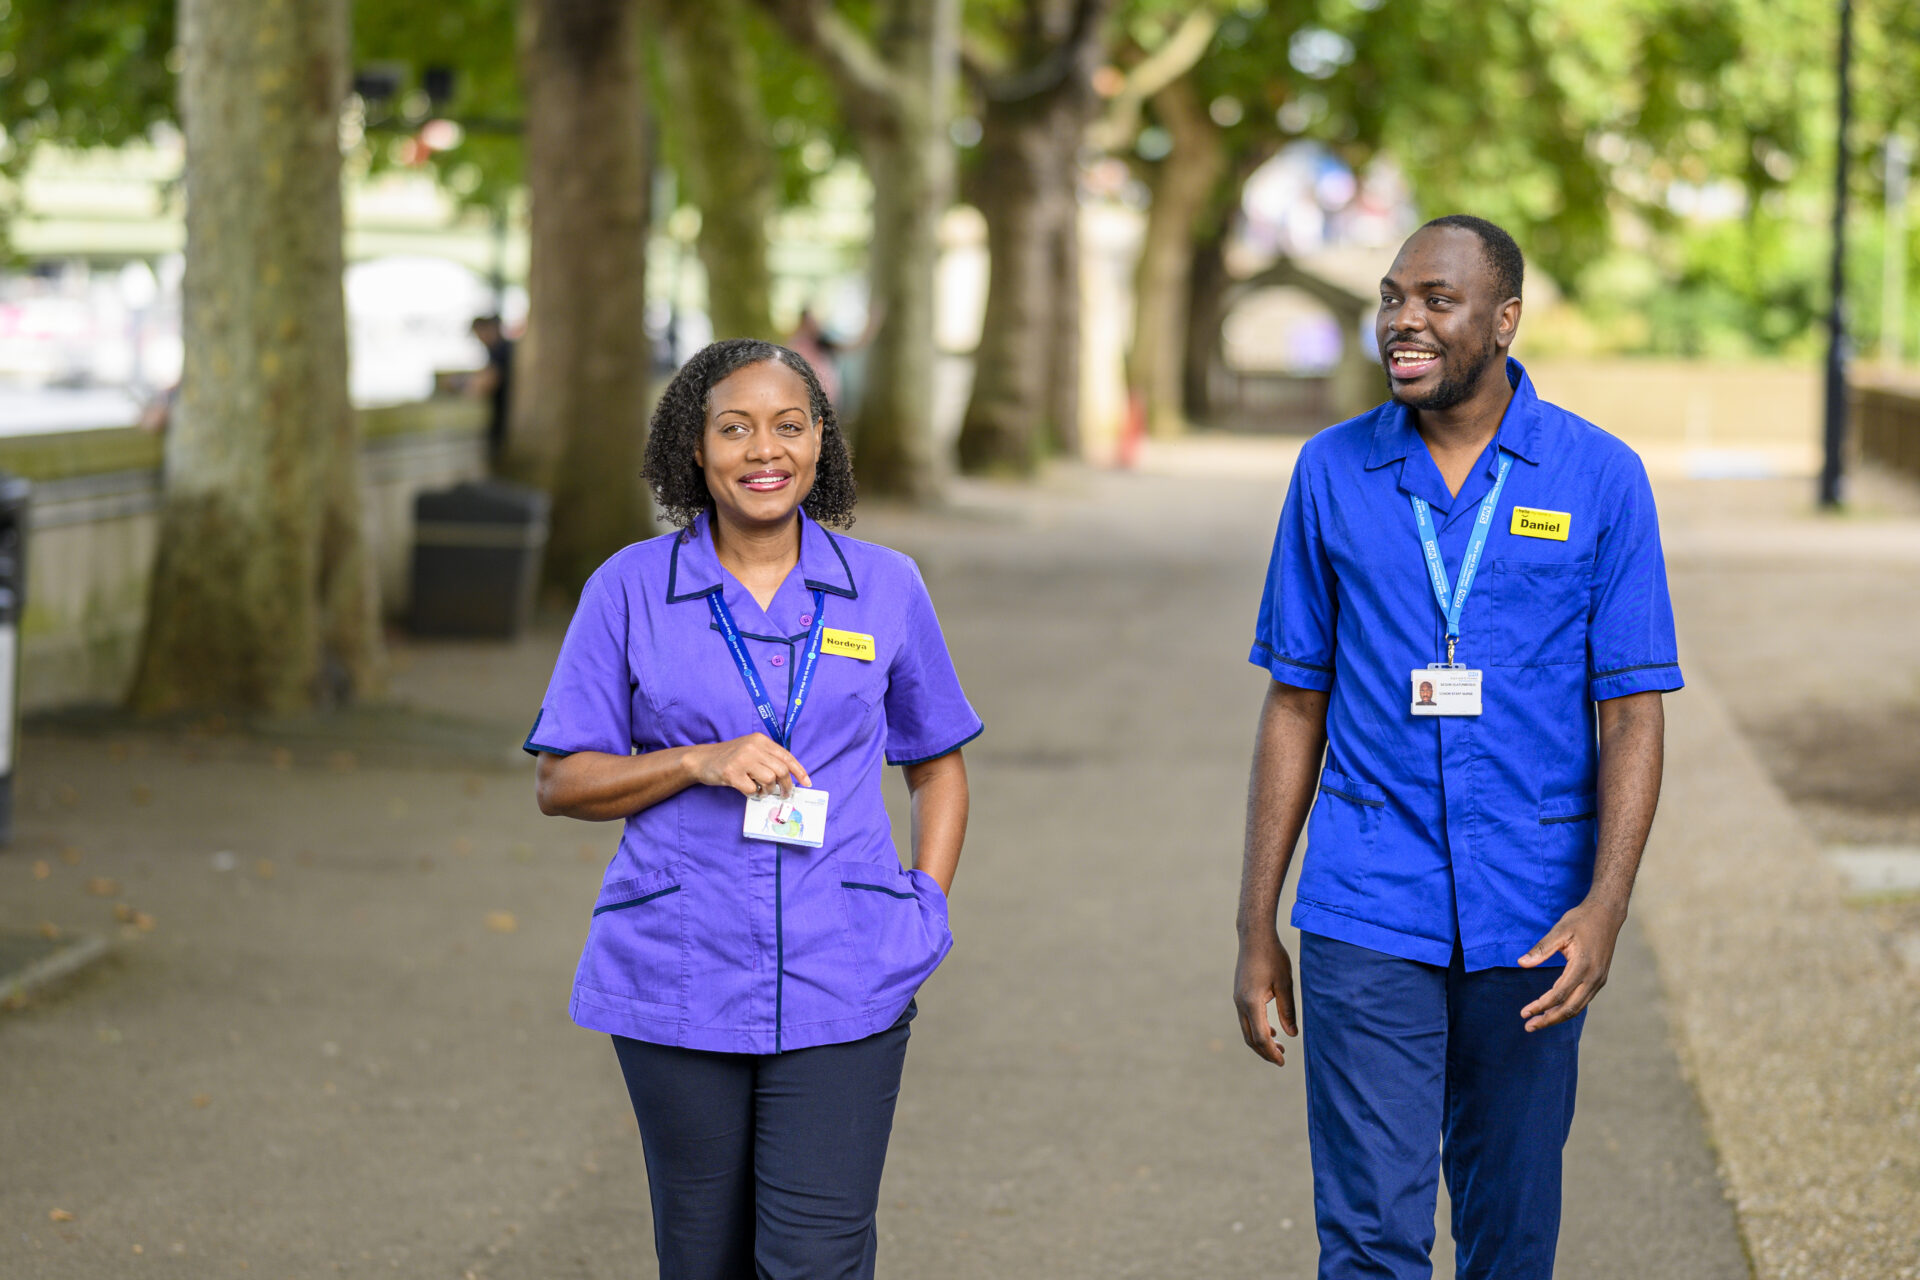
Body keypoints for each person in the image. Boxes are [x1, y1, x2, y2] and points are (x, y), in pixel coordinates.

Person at [1232, 215, 1681, 1279]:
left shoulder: (1600, 478)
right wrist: (1257, 922)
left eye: (1436, 299)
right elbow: (1296, 699)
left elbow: (1633, 710)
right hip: (1365, 900)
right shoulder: (1331, 473)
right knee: (1371, 1238)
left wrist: (1606, 902)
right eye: (1393, 298)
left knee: (1511, 1235)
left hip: (1534, 913)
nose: (1404, 322)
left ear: (1505, 320)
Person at [526, 338, 981, 1280]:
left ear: (821, 443)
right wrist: (695, 760)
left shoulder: (888, 586)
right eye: (733, 428)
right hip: (677, 972)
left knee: (816, 1257)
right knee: (703, 1260)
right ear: (695, 450)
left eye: (788, 425)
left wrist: (921, 908)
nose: (762, 450)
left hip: (847, 966)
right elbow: (562, 780)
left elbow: (937, 765)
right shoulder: (628, 588)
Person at [468, 314, 514, 470]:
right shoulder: (503, 348)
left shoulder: (501, 350)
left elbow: (489, 381)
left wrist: (465, 386)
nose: (479, 338)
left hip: (506, 418)